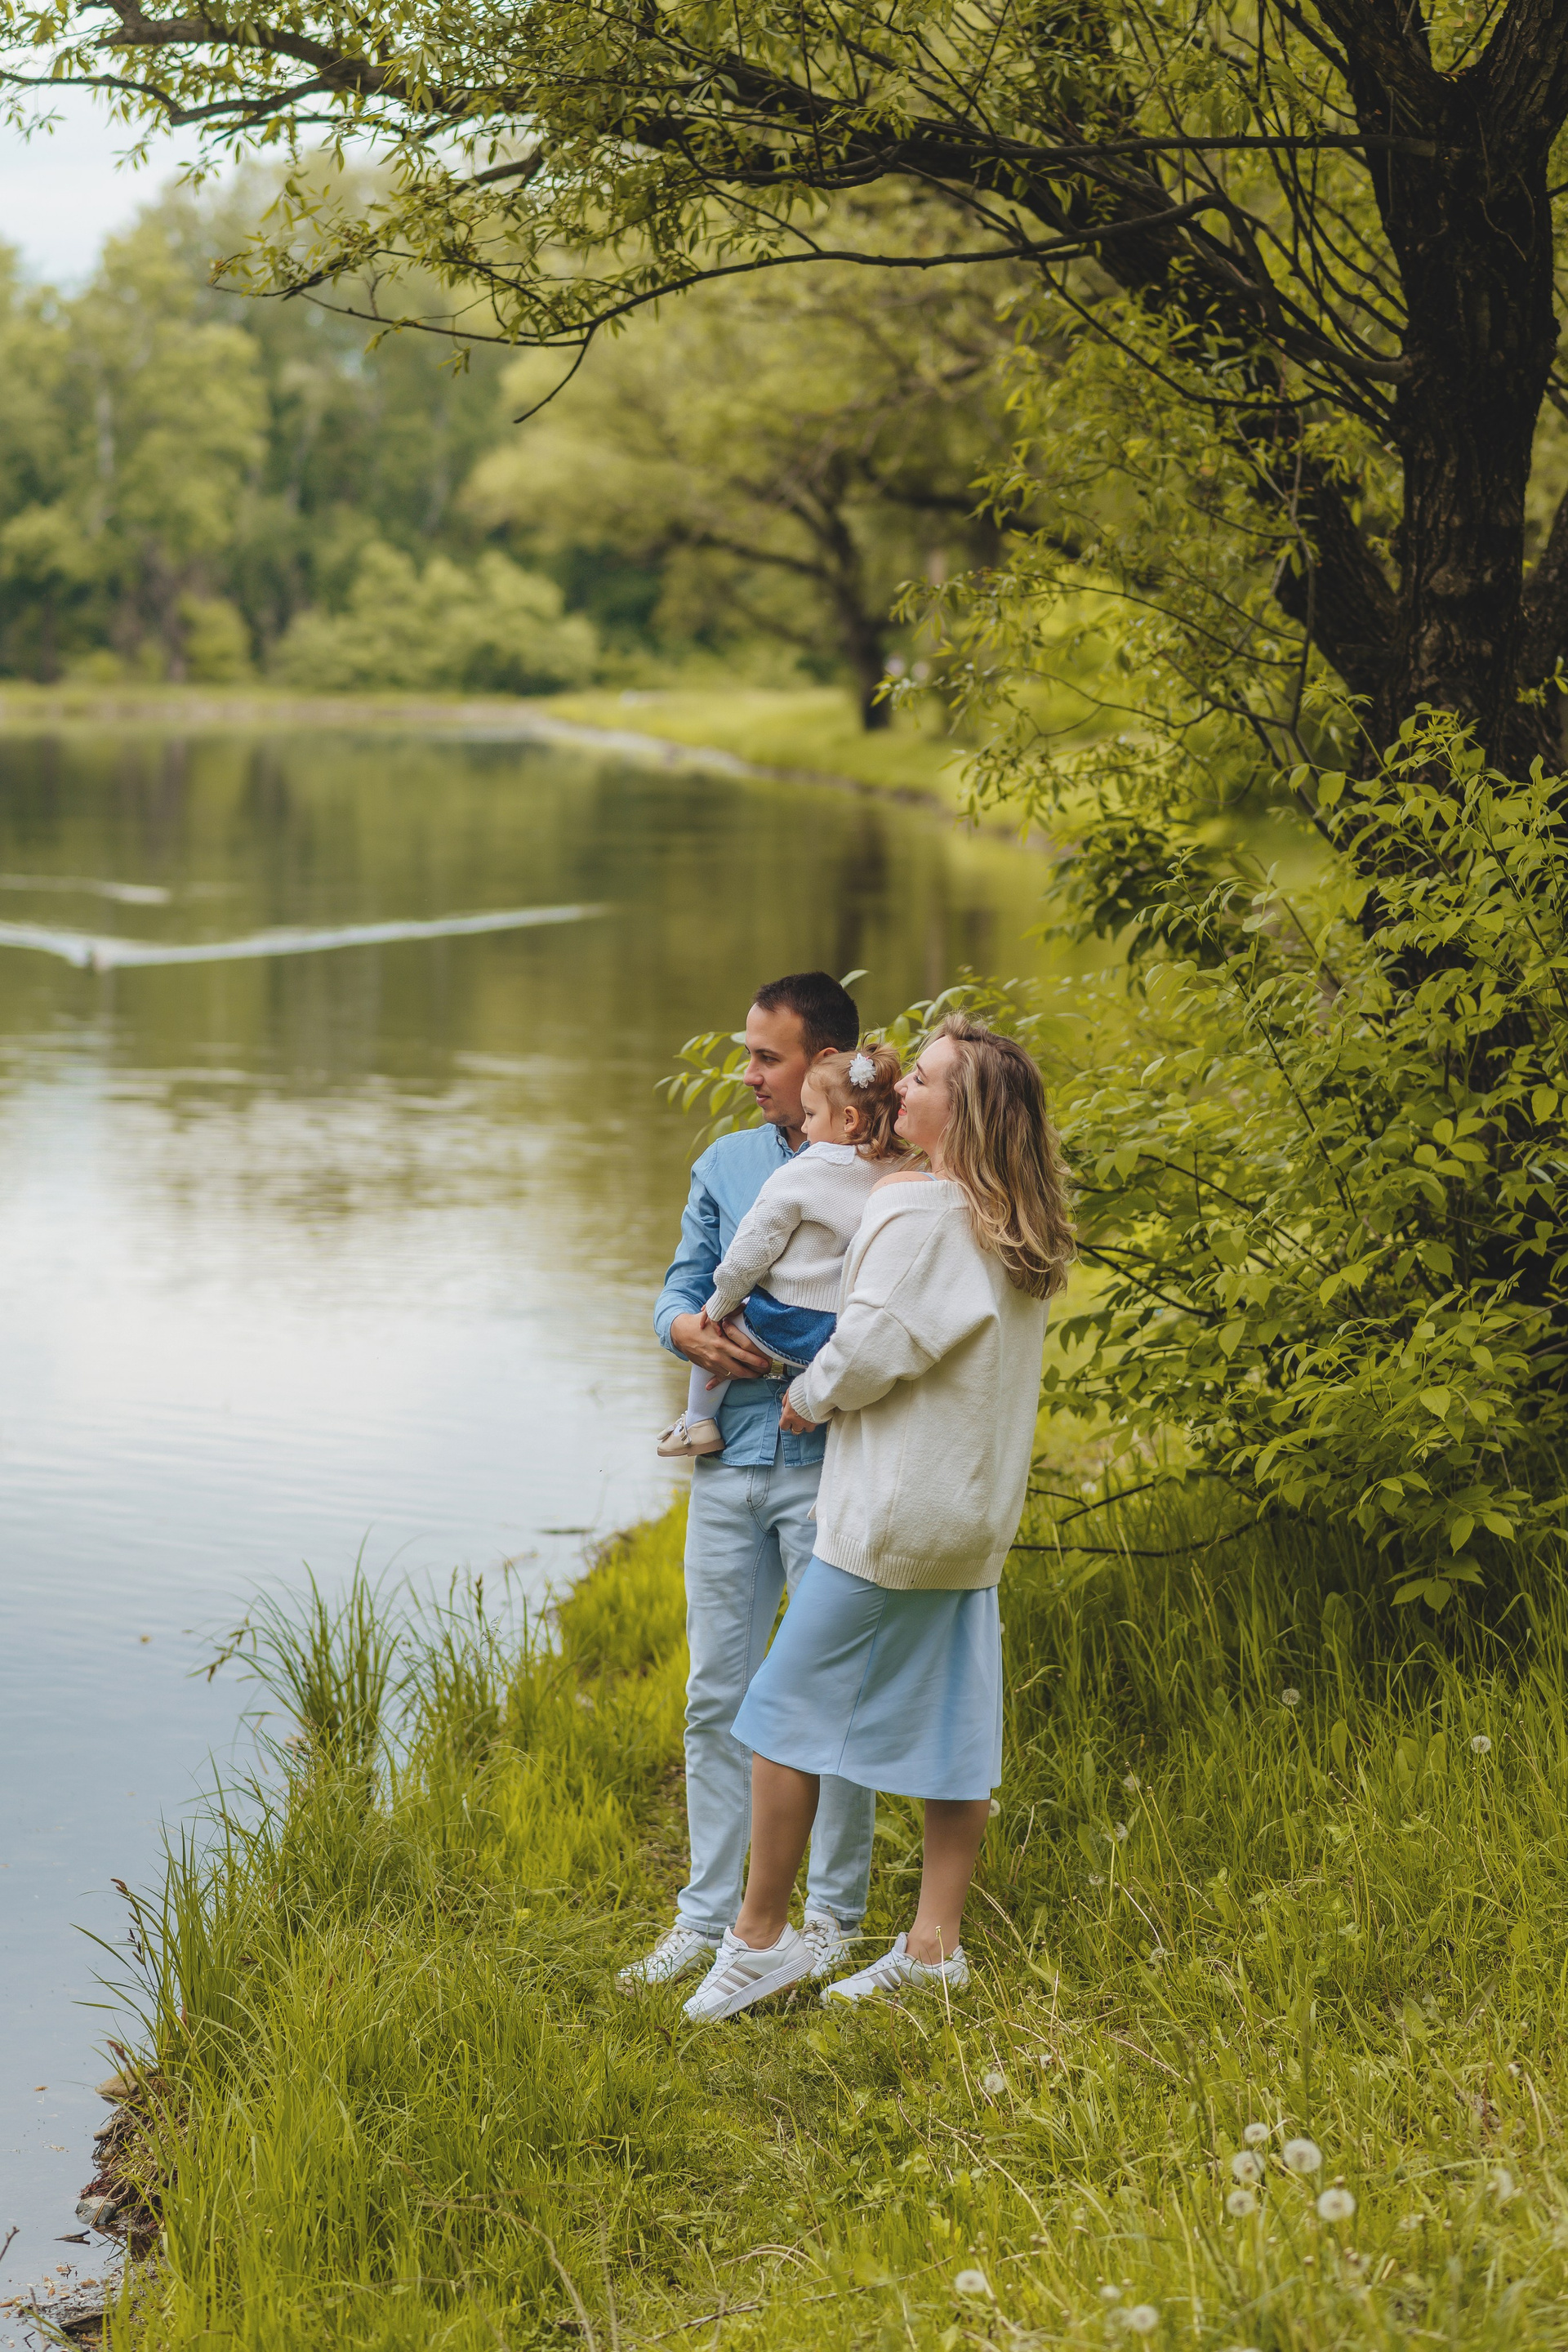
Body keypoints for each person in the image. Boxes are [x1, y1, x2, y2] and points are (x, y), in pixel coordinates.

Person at [680, 1014, 1074, 2023]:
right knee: (955, 1729)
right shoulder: (1012, 1224)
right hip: (970, 1520)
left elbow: (868, 1347)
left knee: (776, 1715)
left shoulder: (921, 1211)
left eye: (924, 1081)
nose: (900, 1090)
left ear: (965, 1112)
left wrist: (806, 1398)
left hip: (892, 1519)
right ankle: (934, 1947)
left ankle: (758, 1939)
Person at [617, 972, 880, 1992]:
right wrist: (680, 1326)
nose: (749, 1075)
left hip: (832, 1464)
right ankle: (706, 1918)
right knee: (714, 1692)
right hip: (726, 1463)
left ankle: (833, 1919)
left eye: (767, 1058)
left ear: (826, 1063)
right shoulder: (726, 1163)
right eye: (747, 1055)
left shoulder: (886, 1167)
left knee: (831, 1696)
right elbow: (684, 1284)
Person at [656, 1043, 905, 1457]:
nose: (805, 1128)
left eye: (811, 1115)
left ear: (848, 1119)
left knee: (719, 1327)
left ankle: (697, 1422)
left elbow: (752, 1250)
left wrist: (718, 1306)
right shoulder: (903, 1169)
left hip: (787, 1322)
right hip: (843, 1334)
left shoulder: (805, 1169)